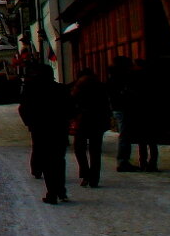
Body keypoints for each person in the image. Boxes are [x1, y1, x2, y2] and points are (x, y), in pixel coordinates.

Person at [19, 62, 72, 204]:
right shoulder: (61, 89)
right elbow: (71, 108)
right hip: (59, 130)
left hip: (40, 130)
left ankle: (52, 193)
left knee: (48, 162)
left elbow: (23, 109)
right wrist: (66, 122)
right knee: (59, 161)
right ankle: (61, 190)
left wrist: (30, 123)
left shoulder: (31, 89)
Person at [69, 67, 109, 187]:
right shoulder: (100, 85)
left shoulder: (79, 85)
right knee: (95, 151)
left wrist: (72, 116)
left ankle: (85, 174)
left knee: (79, 148)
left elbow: (72, 100)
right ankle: (94, 178)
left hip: (83, 120)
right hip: (98, 120)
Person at [107, 56, 140, 172]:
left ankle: (123, 161)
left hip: (118, 107)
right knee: (125, 136)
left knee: (125, 135)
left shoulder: (113, 76)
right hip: (123, 107)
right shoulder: (120, 77)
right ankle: (122, 161)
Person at [129, 58, 159, 172]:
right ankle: (153, 163)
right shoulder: (152, 77)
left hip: (138, 111)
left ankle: (143, 162)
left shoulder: (133, 77)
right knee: (152, 140)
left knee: (142, 140)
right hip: (150, 110)